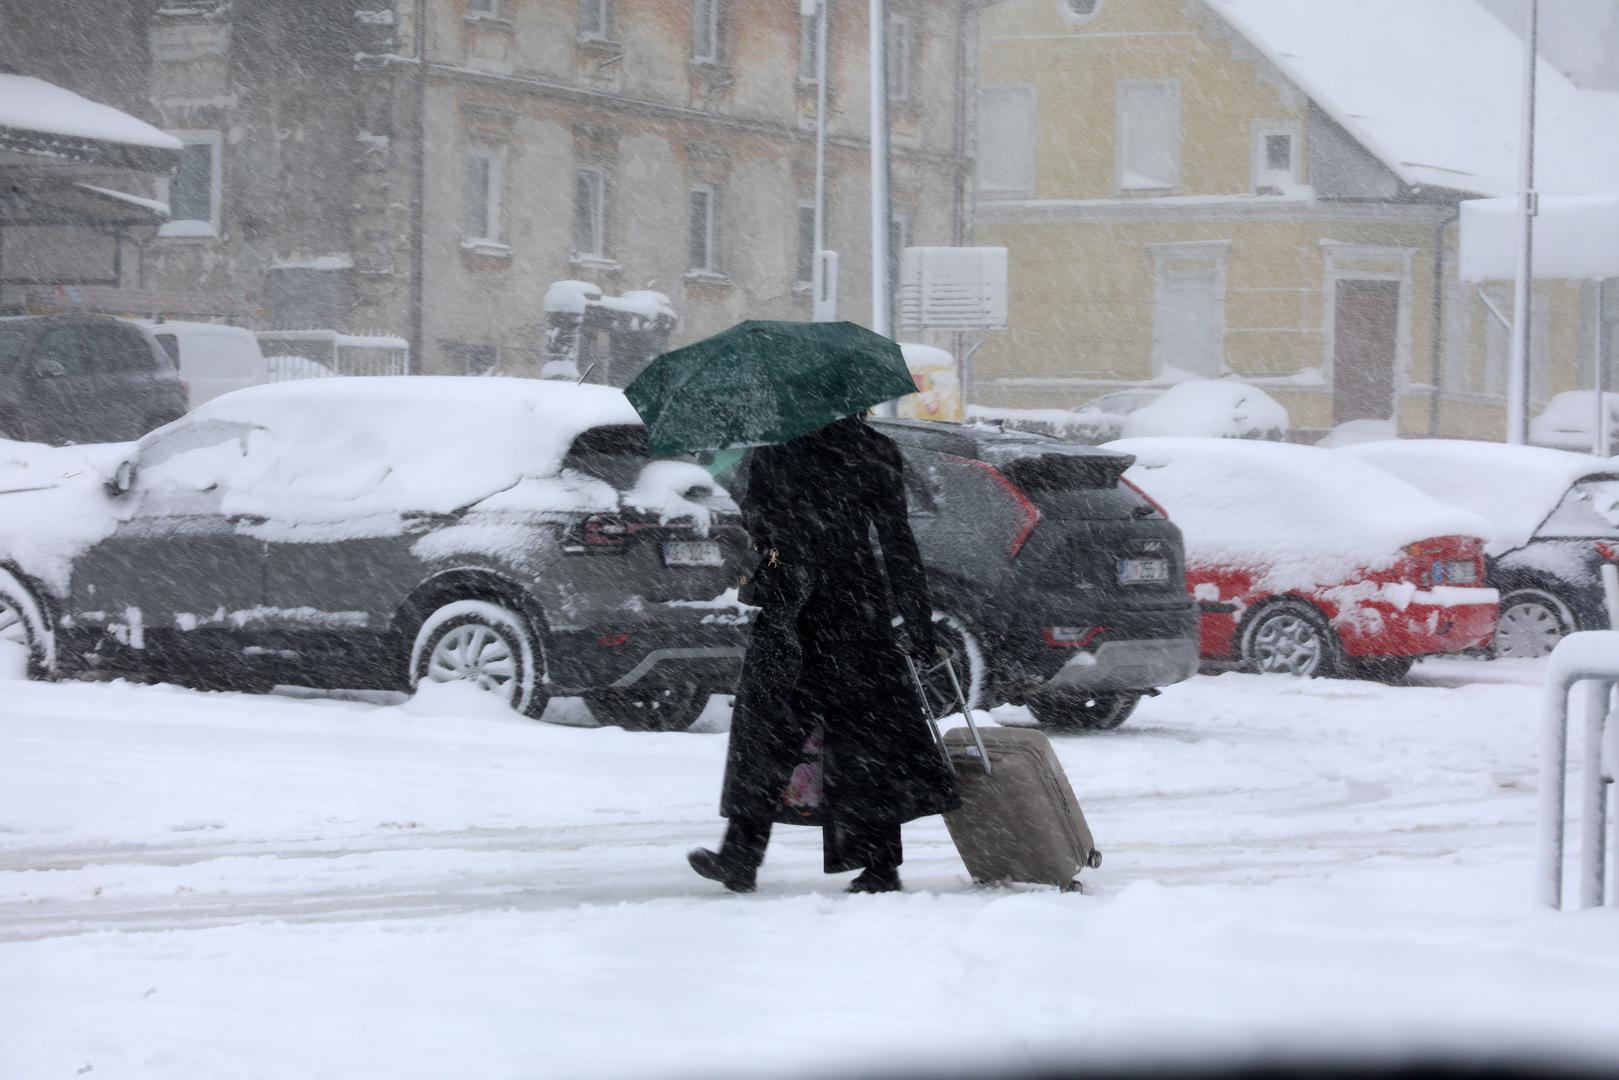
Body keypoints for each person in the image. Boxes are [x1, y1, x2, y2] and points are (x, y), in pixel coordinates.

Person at [687, 414, 961, 894]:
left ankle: (744, 857)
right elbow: (896, 540)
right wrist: (916, 621)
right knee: (861, 741)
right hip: (853, 605)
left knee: (774, 734)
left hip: (798, 609)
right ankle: (874, 865)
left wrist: (771, 565)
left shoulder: (777, 450)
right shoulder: (873, 449)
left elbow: (764, 538)